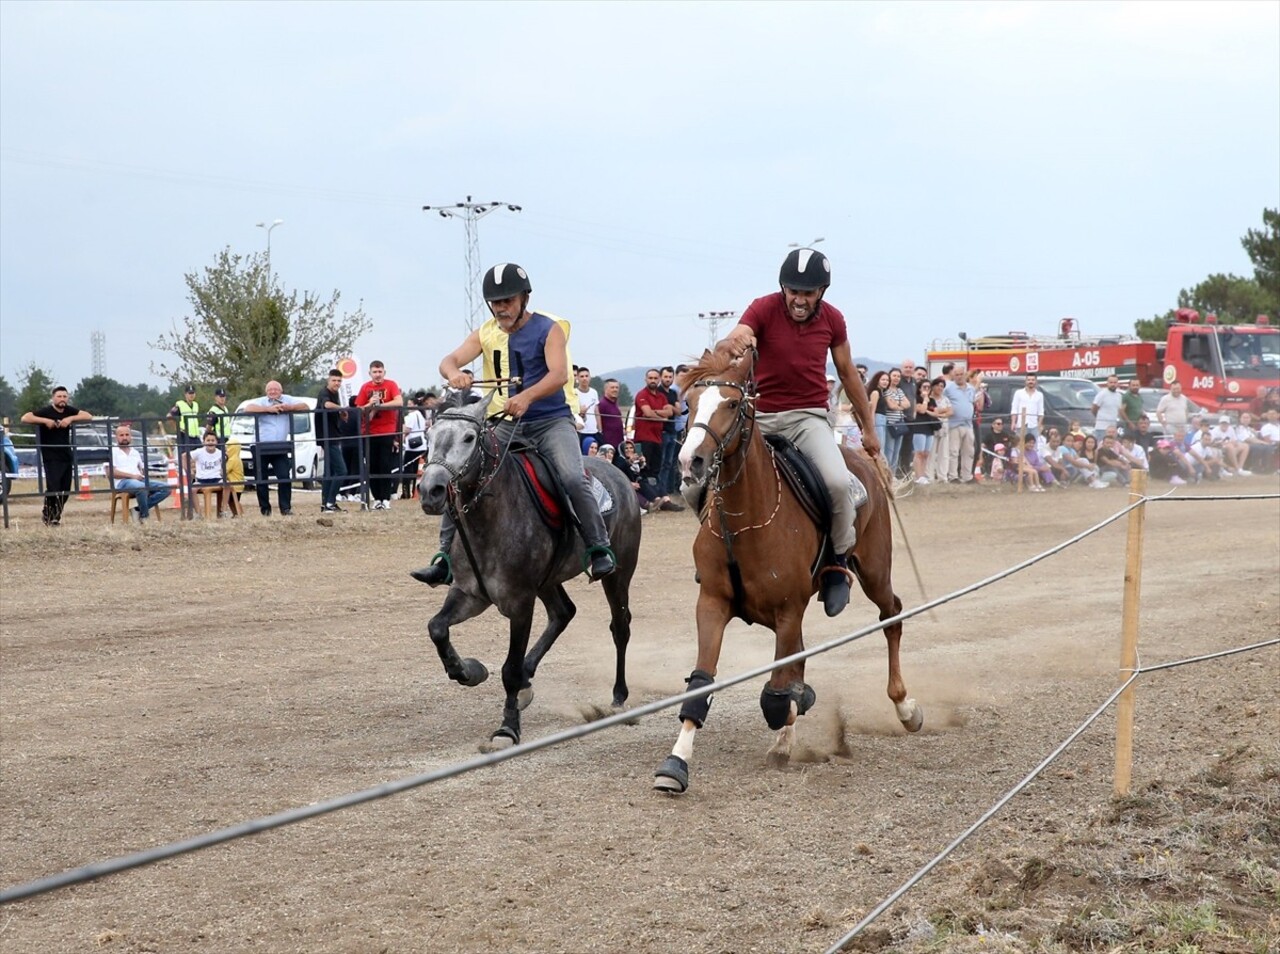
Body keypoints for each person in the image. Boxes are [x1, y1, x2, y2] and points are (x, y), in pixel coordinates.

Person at [411, 262, 617, 584]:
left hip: (550, 422)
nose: (501, 308)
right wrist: (455, 374)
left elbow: (559, 375)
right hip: (504, 423)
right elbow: (448, 361)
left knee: (573, 478)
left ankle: (598, 547)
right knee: (458, 473)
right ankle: (444, 560)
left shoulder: (550, 330)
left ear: (524, 299)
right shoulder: (485, 332)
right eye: (496, 303)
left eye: (507, 301)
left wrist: (527, 397)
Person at [714, 247, 880, 617]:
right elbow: (738, 334)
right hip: (760, 415)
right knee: (700, 480)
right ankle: (716, 556)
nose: (799, 299)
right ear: (782, 287)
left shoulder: (834, 320)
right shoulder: (763, 307)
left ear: (821, 292)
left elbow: (848, 372)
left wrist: (868, 428)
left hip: (807, 418)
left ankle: (837, 563)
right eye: (793, 290)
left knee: (838, 483)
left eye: (807, 292)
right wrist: (733, 342)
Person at [21, 384, 93, 526]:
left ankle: (56, 515)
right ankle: (48, 515)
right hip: (50, 455)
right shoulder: (46, 411)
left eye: (65, 396)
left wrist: (70, 419)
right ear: (53, 398)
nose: (62, 399)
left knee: (66, 489)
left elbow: (88, 416)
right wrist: (45, 421)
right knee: (53, 487)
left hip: (66, 454)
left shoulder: (68, 411)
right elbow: (25, 418)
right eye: (59, 396)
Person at [243, 380, 309, 516]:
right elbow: (247, 408)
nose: (273, 392)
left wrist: (289, 408)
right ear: (266, 392)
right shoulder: (261, 401)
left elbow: (305, 406)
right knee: (261, 479)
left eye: (275, 389)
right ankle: (265, 509)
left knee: (284, 477)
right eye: (270, 390)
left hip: (280, 446)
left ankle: (285, 508)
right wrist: (268, 410)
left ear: (281, 390)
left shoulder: (288, 399)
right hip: (260, 446)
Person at [356, 360, 404, 510]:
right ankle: (376, 498)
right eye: (375, 372)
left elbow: (399, 401)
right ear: (370, 373)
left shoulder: (391, 385)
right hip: (368, 432)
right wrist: (370, 404)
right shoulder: (365, 388)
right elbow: (359, 409)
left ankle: (385, 498)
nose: (377, 375)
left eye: (380, 371)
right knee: (371, 466)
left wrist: (380, 406)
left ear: (384, 372)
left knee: (385, 464)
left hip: (386, 431)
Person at [111, 422, 170, 519]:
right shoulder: (112, 451)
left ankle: (138, 510)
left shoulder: (135, 452)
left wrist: (141, 476)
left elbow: (140, 469)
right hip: (122, 482)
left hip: (139, 480)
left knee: (167, 488)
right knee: (141, 487)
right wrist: (132, 476)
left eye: (127, 435)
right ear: (116, 437)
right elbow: (111, 473)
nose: (124, 437)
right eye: (121, 435)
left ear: (131, 436)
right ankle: (144, 516)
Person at [315, 368, 349, 513]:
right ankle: (330, 502)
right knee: (341, 471)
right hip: (328, 437)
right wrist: (342, 408)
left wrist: (341, 413)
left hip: (333, 436)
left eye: (339, 381)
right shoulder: (325, 393)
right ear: (328, 380)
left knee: (330, 472)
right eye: (334, 380)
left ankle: (326, 504)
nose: (337, 383)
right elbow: (327, 405)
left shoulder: (336, 394)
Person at [943, 364, 977, 483]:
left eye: (961, 374)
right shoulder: (948, 389)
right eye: (956, 375)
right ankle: (953, 476)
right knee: (953, 452)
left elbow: (972, 402)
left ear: (964, 374)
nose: (959, 377)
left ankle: (967, 476)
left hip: (968, 425)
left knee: (969, 452)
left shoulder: (971, 388)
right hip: (954, 425)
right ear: (953, 376)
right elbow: (943, 402)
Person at [187, 429, 228, 515]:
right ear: (204, 442)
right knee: (192, 489)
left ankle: (224, 511)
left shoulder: (220, 453)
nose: (210, 442)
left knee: (226, 484)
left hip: (216, 479)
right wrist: (189, 470)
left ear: (216, 442)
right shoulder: (199, 452)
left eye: (213, 440)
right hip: (201, 480)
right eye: (208, 440)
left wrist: (222, 470)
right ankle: (198, 513)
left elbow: (226, 459)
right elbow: (184, 456)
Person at [401, 389, 432, 499]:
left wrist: (402, 437)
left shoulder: (410, 416)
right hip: (422, 444)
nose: (408, 406)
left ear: (414, 405)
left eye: (409, 404)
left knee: (407, 470)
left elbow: (407, 430)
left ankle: (405, 493)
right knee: (418, 471)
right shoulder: (421, 414)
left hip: (411, 446)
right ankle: (416, 491)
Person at [881, 369, 910, 476]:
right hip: (890, 424)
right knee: (889, 451)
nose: (896, 378)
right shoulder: (886, 391)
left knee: (896, 453)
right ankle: (887, 475)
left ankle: (892, 476)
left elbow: (907, 404)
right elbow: (890, 405)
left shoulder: (899, 391)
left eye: (898, 376)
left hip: (900, 423)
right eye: (894, 375)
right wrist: (899, 405)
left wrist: (897, 405)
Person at [911, 378, 940, 485]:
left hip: (929, 428)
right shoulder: (916, 399)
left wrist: (927, 408)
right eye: (924, 387)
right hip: (919, 428)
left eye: (928, 387)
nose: (926, 389)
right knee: (919, 453)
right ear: (919, 388)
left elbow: (936, 413)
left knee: (926, 454)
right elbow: (921, 410)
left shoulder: (932, 400)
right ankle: (918, 476)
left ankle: (923, 475)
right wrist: (925, 401)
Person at [168, 384, 203, 462]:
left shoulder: (196, 405)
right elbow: (170, 416)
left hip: (195, 434)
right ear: (185, 394)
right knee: (186, 457)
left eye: (193, 393)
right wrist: (176, 428)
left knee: (200, 455)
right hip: (185, 434)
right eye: (189, 393)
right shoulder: (180, 404)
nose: (191, 395)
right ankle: (187, 473)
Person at [574, 366, 602, 454]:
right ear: (577, 378)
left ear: (590, 377)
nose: (584, 379)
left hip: (594, 430)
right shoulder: (574, 392)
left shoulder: (594, 392)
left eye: (586, 376)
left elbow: (596, 411)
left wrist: (600, 428)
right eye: (582, 376)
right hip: (581, 430)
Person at [1010, 373, 1045, 441]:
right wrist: (1013, 422)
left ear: (1036, 381)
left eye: (1032, 380)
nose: (1030, 381)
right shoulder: (1018, 393)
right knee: (1020, 445)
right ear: (1025, 381)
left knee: (1033, 447)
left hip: (1034, 426)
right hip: (1021, 425)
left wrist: (1039, 425)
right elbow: (1014, 409)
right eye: (1028, 380)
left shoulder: (1040, 395)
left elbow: (1041, 412)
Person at [1091, 375, 1123, 439]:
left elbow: (1119, 411)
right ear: (1107, 383)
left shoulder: (1119, 396)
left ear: (1117, 384)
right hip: (1102, 428)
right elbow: (1094, 408)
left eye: (1115, 382)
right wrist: (1099, 418)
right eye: (1111, 382)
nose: (1113, 384)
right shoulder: (1102, 394)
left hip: (1113, 428)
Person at [598, 378, 626, 450]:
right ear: (606, 389)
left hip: (618, 443)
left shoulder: (615, 403)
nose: (615, 390)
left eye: (617, 387)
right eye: (612, 387)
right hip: (608, 444)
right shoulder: (602, 404)